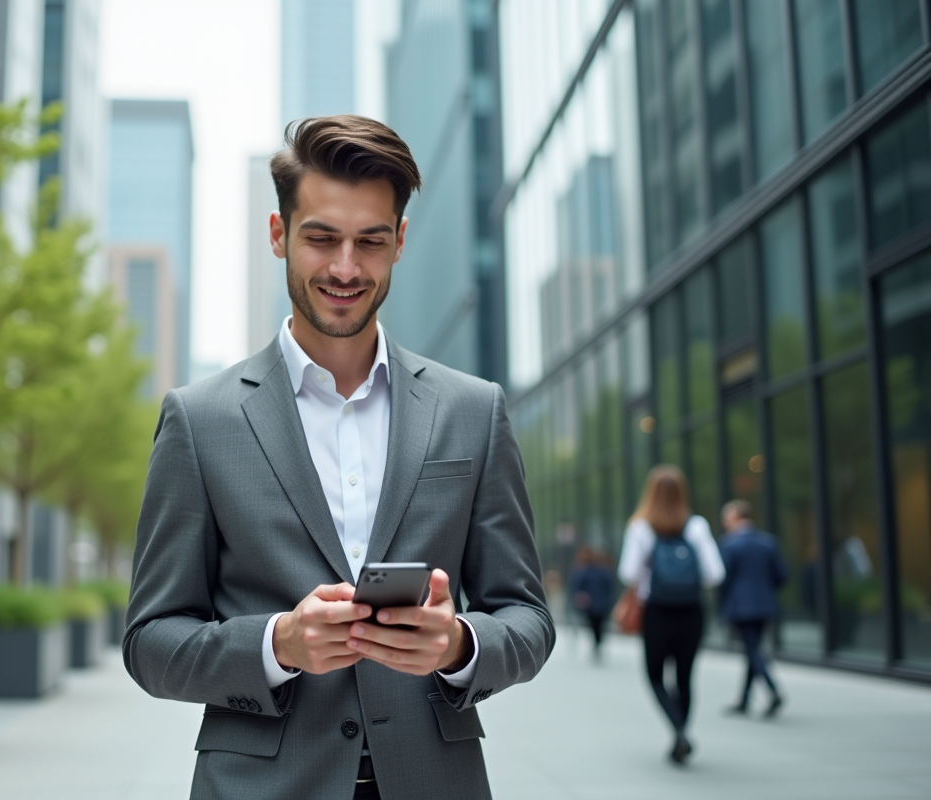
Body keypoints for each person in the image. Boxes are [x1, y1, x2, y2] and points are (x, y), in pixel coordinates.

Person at [123, 115, 555, 800]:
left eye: (370, 242)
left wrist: (457, 647)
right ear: (278, 235)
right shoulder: (198, 420)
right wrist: (277, 646)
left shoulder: (475, 411)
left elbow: (527, 618)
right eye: (321, 238)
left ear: (400, 242)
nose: (346, 268)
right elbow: (149, 642)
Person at [618, 465, 724, 765]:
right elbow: (715, 574)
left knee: (654, 675)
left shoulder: (641, 528)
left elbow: (628, 573)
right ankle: (682, 732)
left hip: (658, 612)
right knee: (685, 677)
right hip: (691, 611)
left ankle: (678, 732)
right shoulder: (697, 526)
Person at [719, 499, 788, 717]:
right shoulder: (768, 542)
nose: (725, 523)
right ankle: (744, 700)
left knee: (752, 650)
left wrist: (723, 607)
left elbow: (723, 579)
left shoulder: (729, 544)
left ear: (736, 518)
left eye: (727, 518)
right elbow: (781, 576)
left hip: (741, 606)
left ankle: (773, 690)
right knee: (752, 649)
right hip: (765, 604)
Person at [569, 545, 614, 659]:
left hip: (594, 604)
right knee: (599, 625)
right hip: (600, 604)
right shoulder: (603, 572)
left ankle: (597, 642)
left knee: (595, 625)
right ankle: (598, 642)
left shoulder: (588, 572)